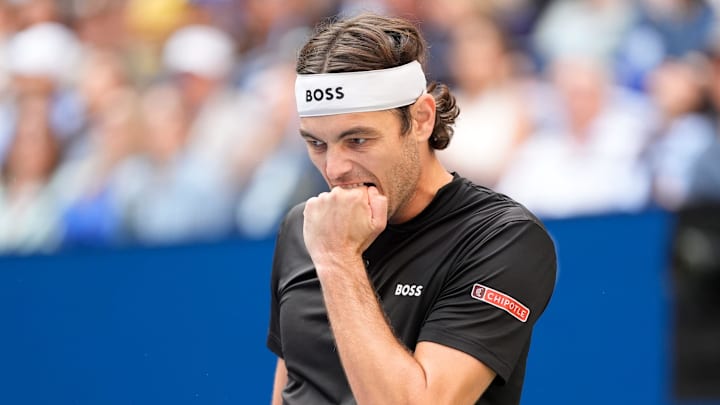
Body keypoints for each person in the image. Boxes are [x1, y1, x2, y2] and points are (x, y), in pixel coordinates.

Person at [267, 13, 557, 405]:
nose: (333, 169)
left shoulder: (504, 238)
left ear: (421, 119)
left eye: (357, 140)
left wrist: (337, 259)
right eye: (317, 144)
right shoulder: (304, 226)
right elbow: (293, 388)